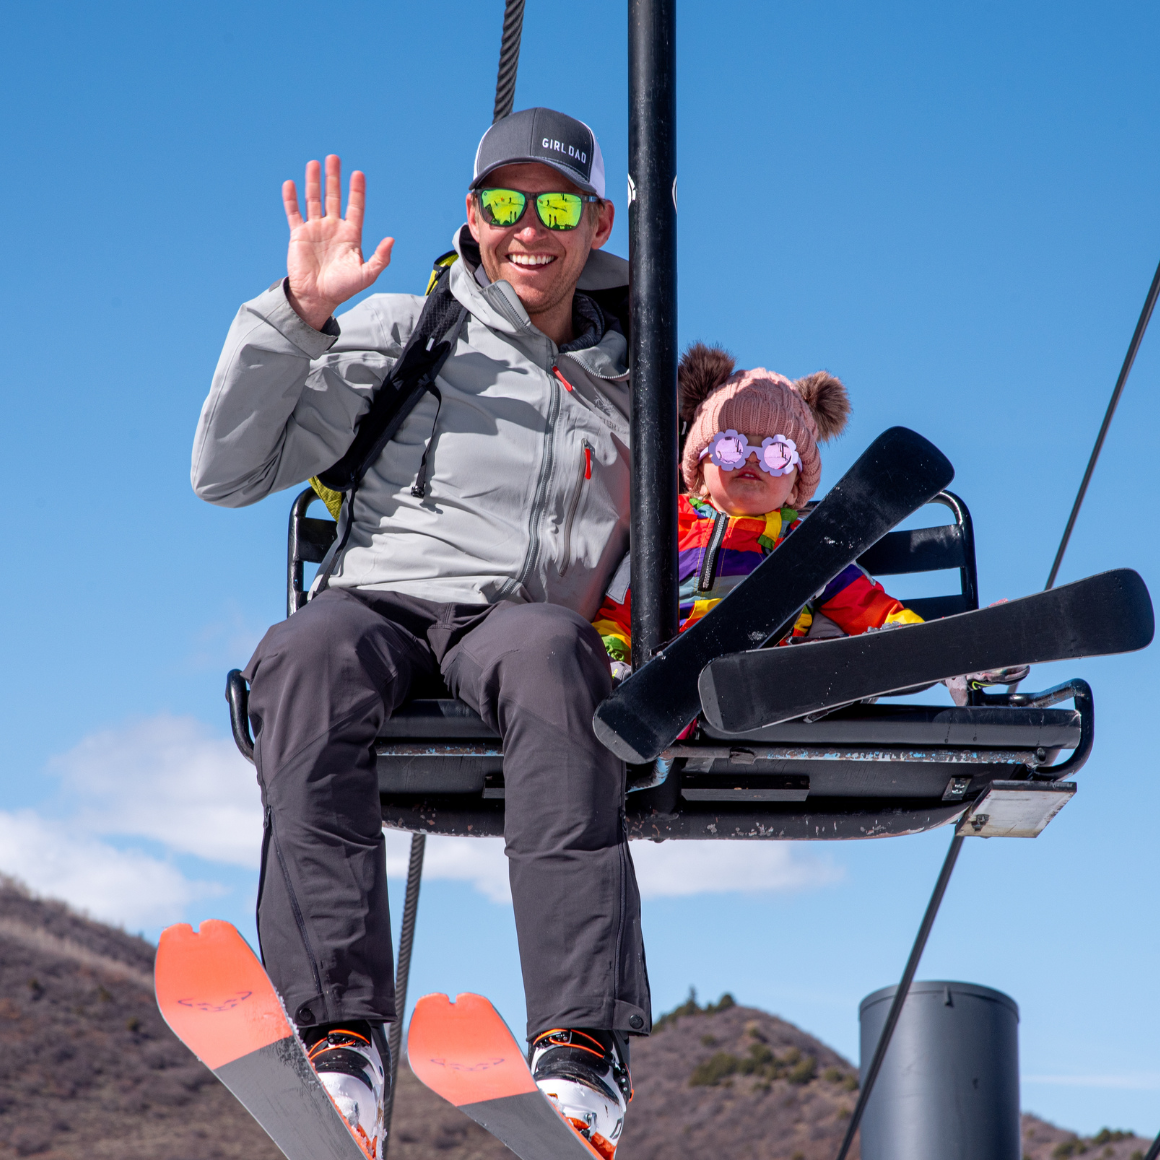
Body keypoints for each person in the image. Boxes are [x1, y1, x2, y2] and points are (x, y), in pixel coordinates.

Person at [191, 108, 645, 1160]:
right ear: (473, 218)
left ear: (597, 222)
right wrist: (295, 315)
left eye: (556, 205)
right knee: (303, 655)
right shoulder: (411, 329)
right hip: (385, 598)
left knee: (547, 653)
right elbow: (227, 473)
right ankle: (339, 1037)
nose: (528, 228)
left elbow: (737, 457)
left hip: (524, 619)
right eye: (502, 203)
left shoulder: (638, 376)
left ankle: (580, 1047)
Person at [593, 344, 923, 671]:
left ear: (796, 485)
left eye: (776, 453)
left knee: (828, 628)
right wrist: (612, 661)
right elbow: (620, 611)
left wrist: (914, 634)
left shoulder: (809, 545)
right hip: (679, 673)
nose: (752, 458)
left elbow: (861, 600)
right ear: (700, 472)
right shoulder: (665, 528)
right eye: (730, 446)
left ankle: (847, 669)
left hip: (772, 674)